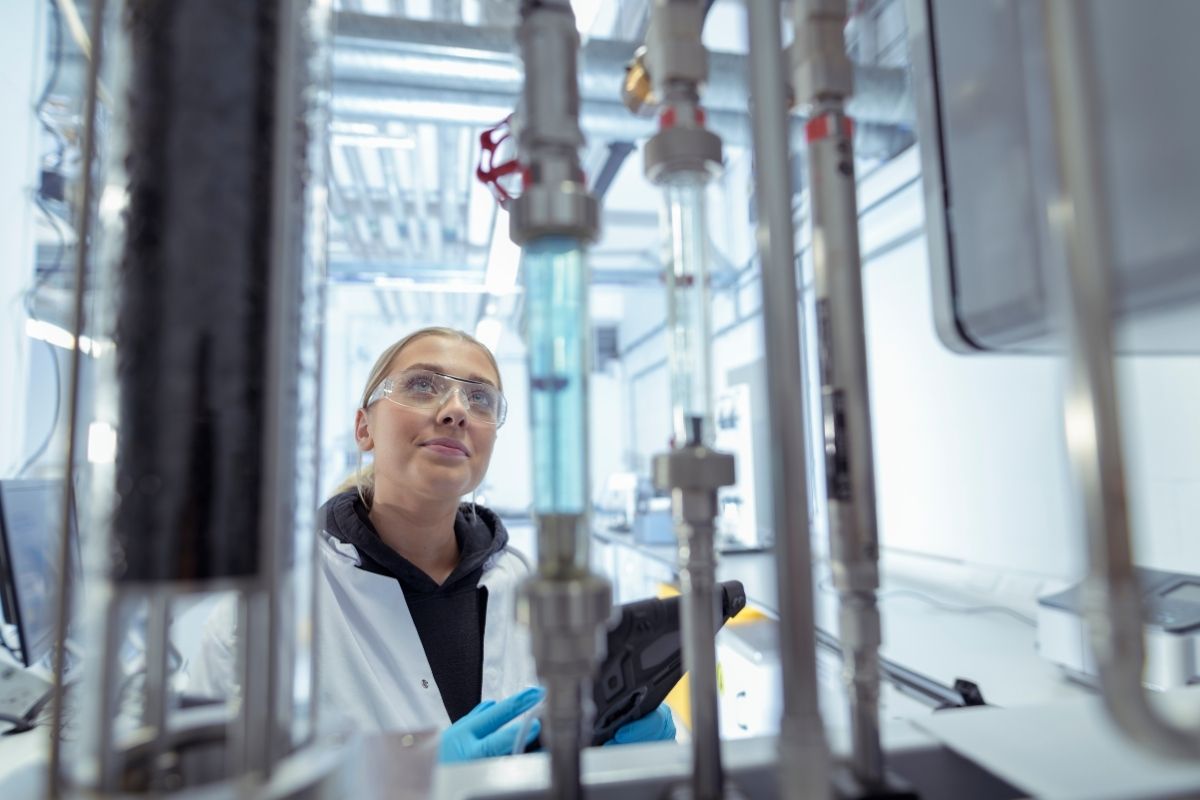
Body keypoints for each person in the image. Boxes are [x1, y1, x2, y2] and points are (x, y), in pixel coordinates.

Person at [190, 326, 674, 761]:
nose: (456, 411)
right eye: (423, 385)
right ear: (365, 428)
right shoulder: (266, 611)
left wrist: (621, 763)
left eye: (480, 399)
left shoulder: (525, 586)